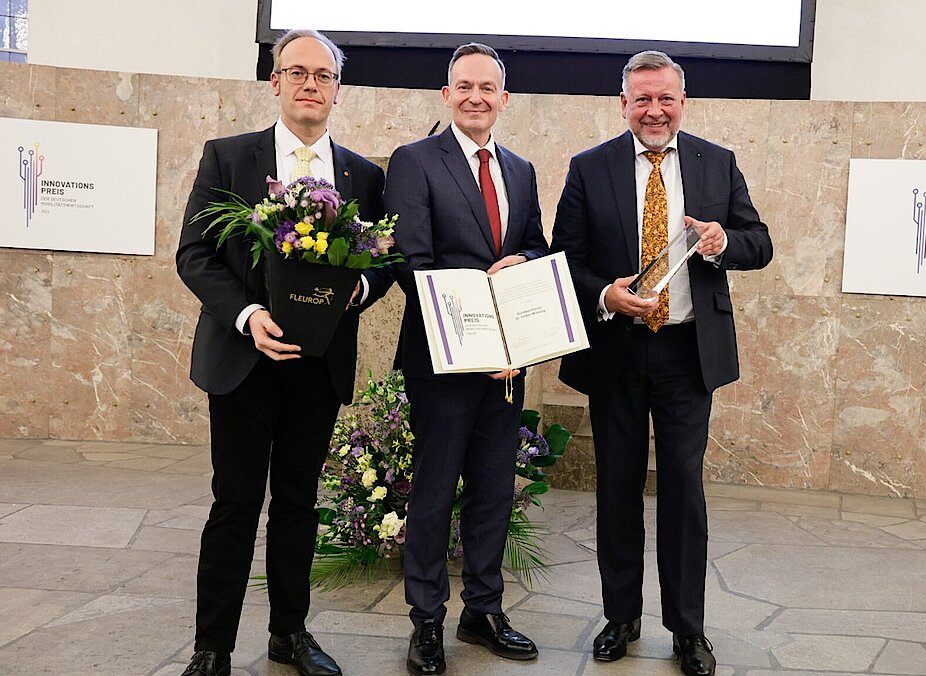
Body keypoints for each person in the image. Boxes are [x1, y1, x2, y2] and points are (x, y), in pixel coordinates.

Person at [551, 50, 773, 676]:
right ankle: (620, 618)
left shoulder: (716, 163)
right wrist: (604, 294)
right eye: (641, 99)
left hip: (686, 355)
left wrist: (724, 242)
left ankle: (688, 629)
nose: (654, 110)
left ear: (682, 101)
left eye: (665, 99)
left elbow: (760, 243)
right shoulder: (588, 169)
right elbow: (563, 256)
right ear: (623, 104)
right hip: (615, 352)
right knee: (617, 490)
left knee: (683, 492)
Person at [175, 29, 384, 676]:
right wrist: (248, 314)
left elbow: (386, 261)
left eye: (323, 75)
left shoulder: (364, 176)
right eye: (298, 72)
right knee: (234, 503)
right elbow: (195, 255)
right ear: (275, 81)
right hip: (243, 360)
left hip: (317, 368)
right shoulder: (228, 158)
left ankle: (288, 635)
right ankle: (212, 649)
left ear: (338, 89)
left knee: (297, 504)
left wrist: (359, 289)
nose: (310, 85)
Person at [358, 42, 549, 676]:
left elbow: (534, 250)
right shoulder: (414, 162)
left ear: (504, 98)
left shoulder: (520, 169)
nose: (475, 97)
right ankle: (427, 620)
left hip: (506, 368)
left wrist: (520, 279)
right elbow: (411, 261)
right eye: (463, 86)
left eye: (487, 87)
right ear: (446, 95)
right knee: (435, 492)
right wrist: (484, 285)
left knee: (495, 490)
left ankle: (483, 610)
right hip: (442, 359)